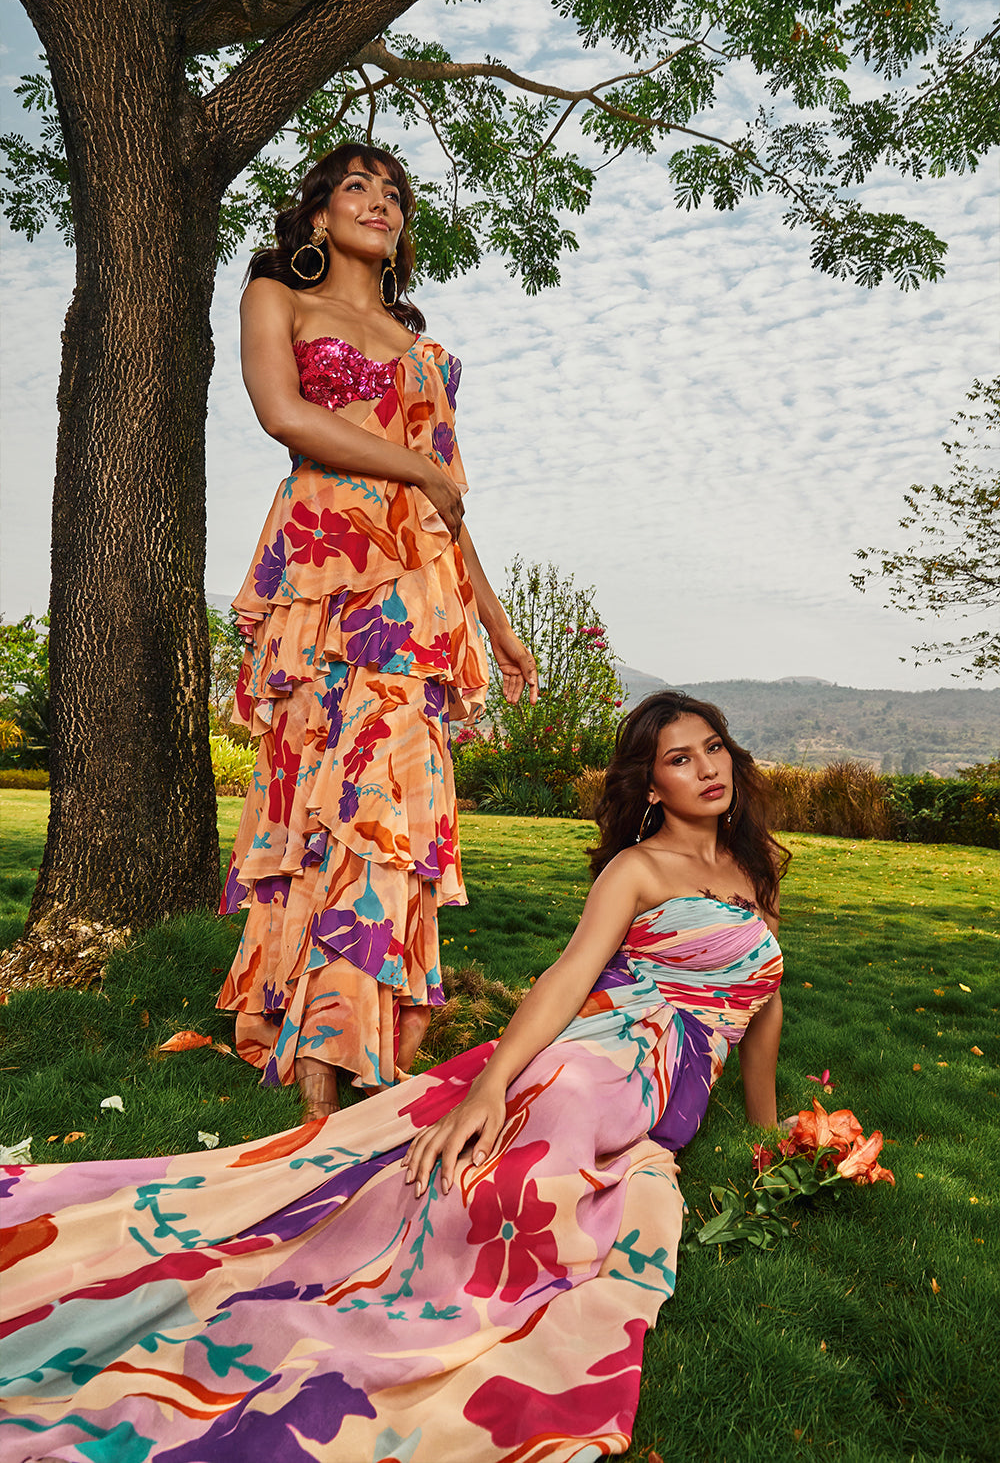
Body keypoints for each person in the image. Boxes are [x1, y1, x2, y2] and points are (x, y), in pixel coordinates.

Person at [0, 691, 788, 1463]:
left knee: (540, 1150)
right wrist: (487, 1087)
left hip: (662, 1082)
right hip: (603, 1053)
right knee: (517, 1144)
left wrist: (764, 1126)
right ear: (653, 787)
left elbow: (763, 1005)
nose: (707, 769)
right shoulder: (638, 868)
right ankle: (410, 1286)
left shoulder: (753, 869)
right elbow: (567, 977)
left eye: (713, 748)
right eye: (680, 760)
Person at [215, 143, 537, 1119]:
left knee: (392, 808)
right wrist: (423, 476)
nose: (378, 202)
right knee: (316, 800)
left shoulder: (417, 343)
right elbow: (283, 415)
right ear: (317, 217)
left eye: (392, 192)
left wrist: (495, 616)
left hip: (417, 598)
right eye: (355, 186)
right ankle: (320, 1076)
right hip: (318, 581)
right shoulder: (277, 295)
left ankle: (355, 1049)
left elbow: (446, 506)